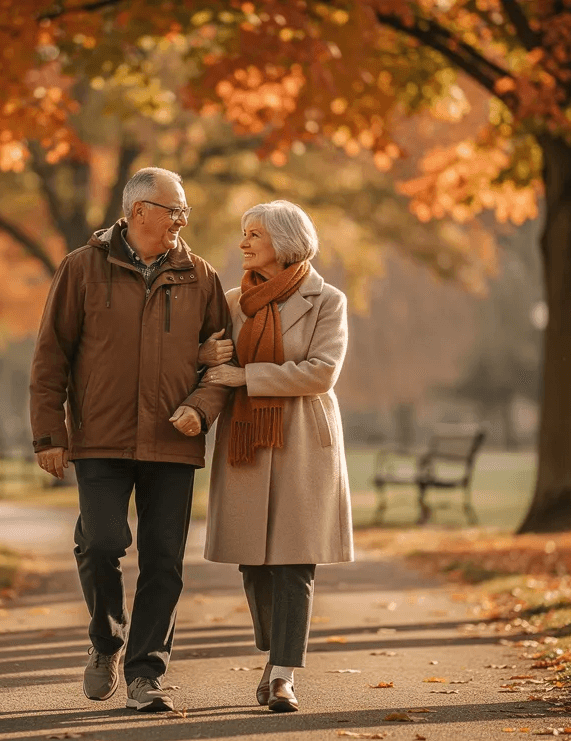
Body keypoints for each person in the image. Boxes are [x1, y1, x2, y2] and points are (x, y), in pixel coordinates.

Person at [29, 167, 232, 713]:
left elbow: (223, 365)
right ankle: (105, 642)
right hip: (100, 438)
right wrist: (51, 433)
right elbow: (52, 356)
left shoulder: (201, 276)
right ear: (138, 211)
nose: (181, 221)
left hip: (173, 440)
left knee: (164, 560)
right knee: (100, 544)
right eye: (174, 210)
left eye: (184, 212)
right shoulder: (81, 269)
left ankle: (146, 675)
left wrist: (200, 409)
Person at [199, 199, 352, 713]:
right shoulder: (232, 299)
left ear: (284, 243)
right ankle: (274, 655)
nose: (243, 242)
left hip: (302, 439)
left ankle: (284, 673)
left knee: (293, 561)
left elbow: (322, 371)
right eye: (243, 232)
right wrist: (207, 358)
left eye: (254, 234)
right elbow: (209, 359)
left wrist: (248, 376)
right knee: (254, 563)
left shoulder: (327, 300)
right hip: (246, 440)